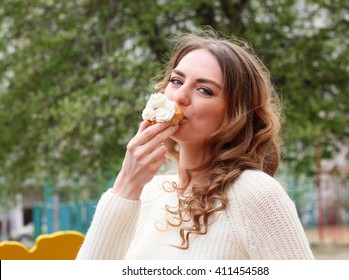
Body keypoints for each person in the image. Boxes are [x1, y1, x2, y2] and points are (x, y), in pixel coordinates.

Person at [76, 28, 314, 260]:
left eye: (204, 90)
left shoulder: (254, 193)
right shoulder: (149, 193)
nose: (179, 97)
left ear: (235, 114)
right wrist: (126, 185)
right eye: (176, 80)